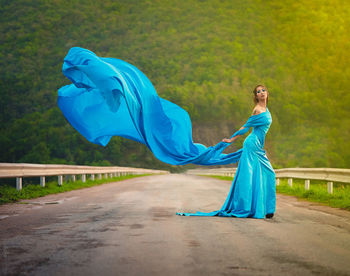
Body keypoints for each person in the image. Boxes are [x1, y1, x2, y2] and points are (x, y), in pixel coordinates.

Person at [177, 85, 276, 219]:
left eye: (263, 90)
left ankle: (266, 209)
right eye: (258, 92)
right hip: (251, 144)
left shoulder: (266, 109)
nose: (262, 93)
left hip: (258, 146)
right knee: (249, 175)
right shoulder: (257, 110)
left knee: (267, 173)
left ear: (267, 93)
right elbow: (245, 127)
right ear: (256, 96)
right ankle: (249, 207)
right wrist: (231, 139)